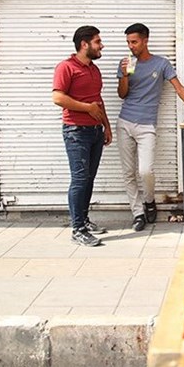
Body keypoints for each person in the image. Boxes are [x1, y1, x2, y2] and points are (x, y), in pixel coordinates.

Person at [117, 22, 184, 232]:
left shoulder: (161, 64)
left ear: (145, 41)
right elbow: (122, 94)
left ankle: (149, 200)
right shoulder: (127, 63)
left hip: (147, 125)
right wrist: (124, 75)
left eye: (134, 42)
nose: (130, 46)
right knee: (128, 173)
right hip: (124, 122)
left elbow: (179, 89)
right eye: (128, 42)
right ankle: (137, 213)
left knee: (145, 170)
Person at [52, 25, 113, 247]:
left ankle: (84, 220)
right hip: (76, 131)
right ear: (84, 44)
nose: (101, 45)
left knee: (88, 178)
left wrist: (106, 126)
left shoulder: (94, 70)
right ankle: (77, 229)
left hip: (95, 131)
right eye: (98, 41)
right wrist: (87, 108)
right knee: (79, 178)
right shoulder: (66, 67)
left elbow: (97, 100)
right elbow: (58, 98)